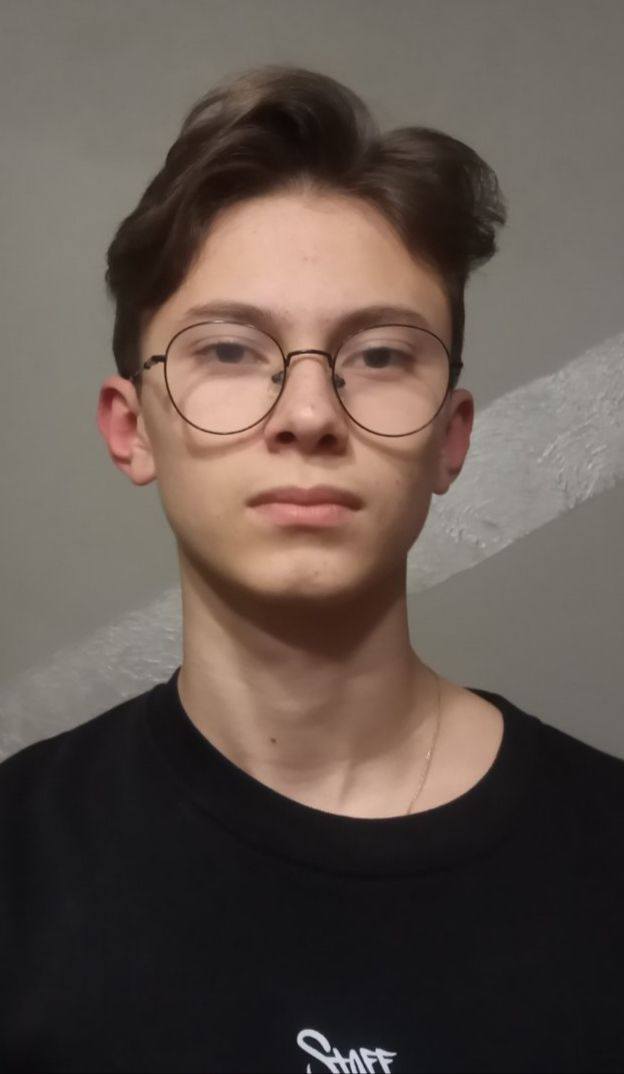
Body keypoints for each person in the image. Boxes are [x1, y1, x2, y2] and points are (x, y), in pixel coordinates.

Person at [1, 64, 622, 1074]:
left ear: (452, 438)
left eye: (378, 355)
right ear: (131, 426)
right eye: (229, 350)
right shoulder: (20, 867)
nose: (308, 414)